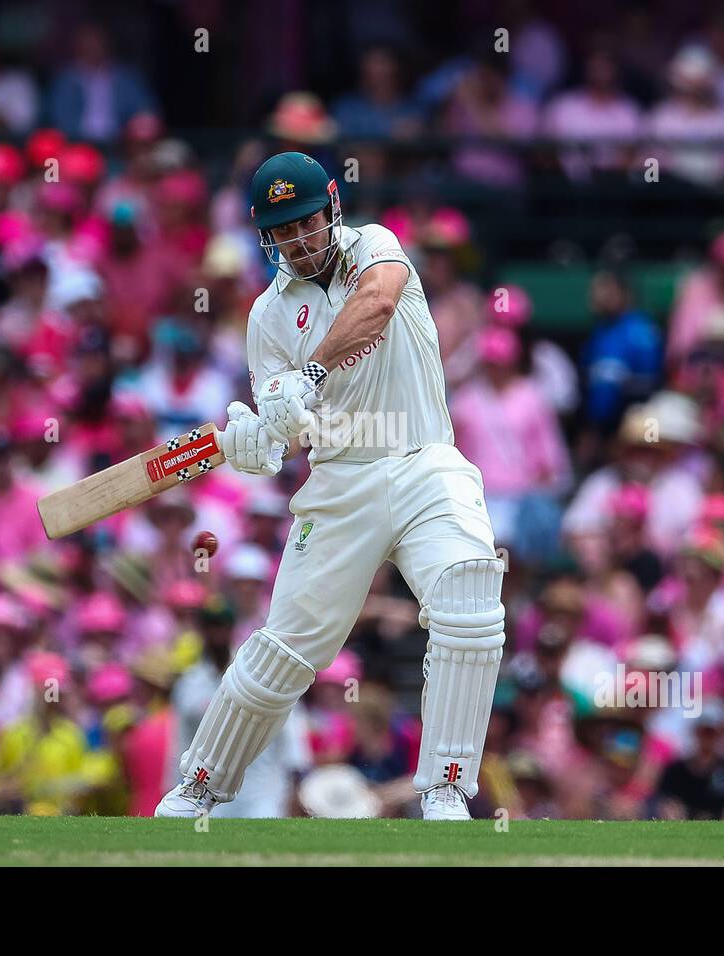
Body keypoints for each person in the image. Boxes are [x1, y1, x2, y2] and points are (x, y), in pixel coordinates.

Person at [156, 152, 505, 821]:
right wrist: (259, 441)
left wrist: (307, 375)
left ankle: (445, 786)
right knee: (285, 650)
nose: (297, 240)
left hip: (424, 458)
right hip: (340, 483)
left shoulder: (375, 246)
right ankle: (199, 784)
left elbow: (376, 305)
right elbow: (281, 430)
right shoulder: (266, 316)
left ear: (333, 208)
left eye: (306, 222)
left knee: (469, 600)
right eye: (282, 230)